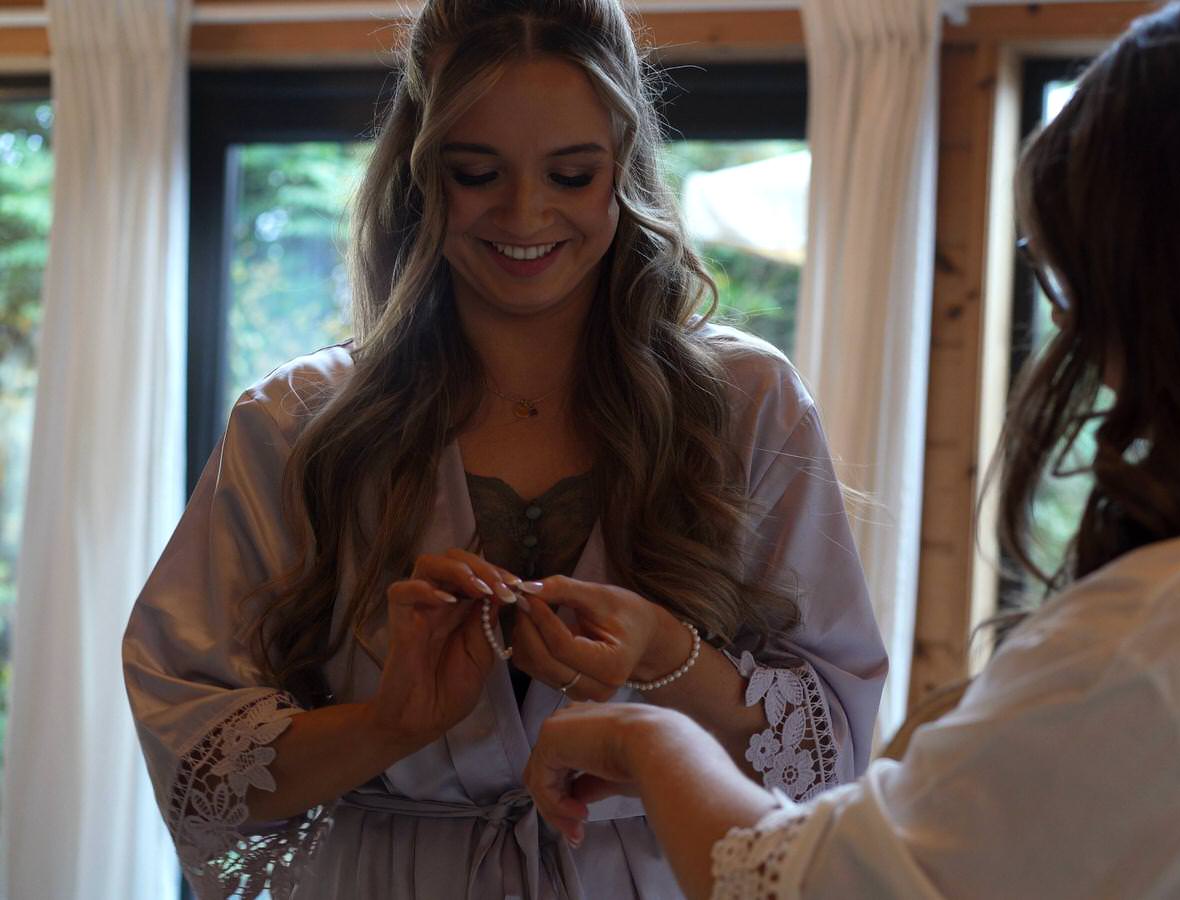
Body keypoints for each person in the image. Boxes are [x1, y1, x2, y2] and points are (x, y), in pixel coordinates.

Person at [521, 1, 1180, 897]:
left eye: (1078, 286)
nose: (1092, 352)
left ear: (1174, 286)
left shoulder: (1174, 639)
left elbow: (815, 884)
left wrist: (645, 740)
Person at [122, 1, 887, 897]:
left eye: (571, 174)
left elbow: (828, 754)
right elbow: (197, 765)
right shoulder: (298, 423)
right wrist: (390, 723)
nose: (526, 214)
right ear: (418, 172)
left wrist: (668, 656)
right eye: (478, 172)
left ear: (625, 170)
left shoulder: (746, 406)